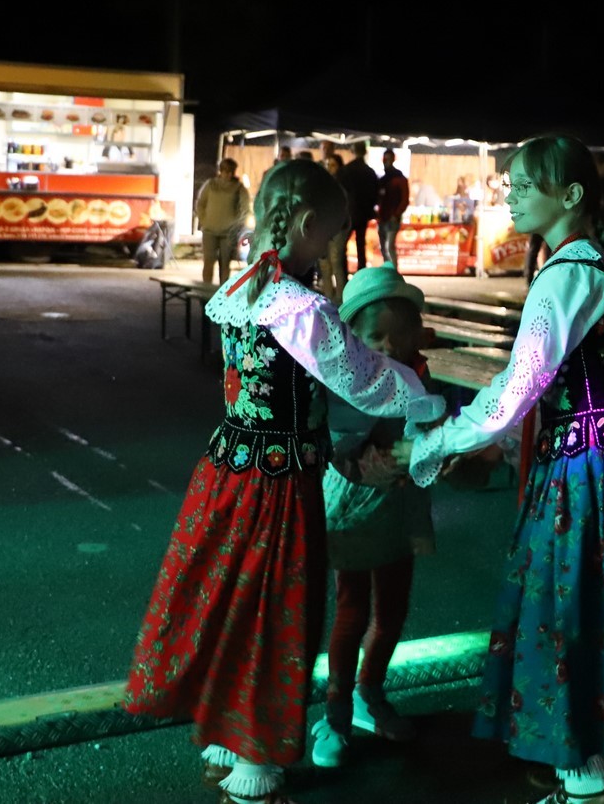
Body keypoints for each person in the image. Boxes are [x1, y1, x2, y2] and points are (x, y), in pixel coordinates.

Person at [121, 159, 446, 804]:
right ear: (305, 224)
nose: (332, 246)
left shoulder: (243, 286)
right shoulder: (300, 307)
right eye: (331, 232)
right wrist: (428, 401)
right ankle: (255, 762)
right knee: (274, 611)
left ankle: (223, 738)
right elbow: (362, 378)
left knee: (226, 601)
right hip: (277, 486)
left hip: (226, 473)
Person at [408, 134, 604, 804]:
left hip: (586, 468)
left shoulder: (567, 274)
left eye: (523, 185)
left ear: (569, 195)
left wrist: (440, 439)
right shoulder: (591, 262)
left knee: (571, 605)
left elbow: (519, 386)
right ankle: (594, 751)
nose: (509, 195)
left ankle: (582, 772)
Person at [311, 265, 466, 767]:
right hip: (353, 506)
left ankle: (369, 693)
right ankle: (335, 714)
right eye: (376, 336)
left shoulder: (420, 376)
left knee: (394, 610)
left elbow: (437, 428)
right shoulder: (345, 381)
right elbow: (338, 443)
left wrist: (448, 449)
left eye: (400, 335)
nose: (390, 347)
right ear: (352, 337)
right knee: (352, 610)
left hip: (401, 508)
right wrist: (372, 457)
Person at [196, 158, 253, 285]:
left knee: (225, 263)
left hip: (228, 232)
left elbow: (245, 208)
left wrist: (238, 224)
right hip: (210, 230)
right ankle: (206, 289)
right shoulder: (211, 185)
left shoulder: (238, 188)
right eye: (226, 171)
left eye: (231, 171)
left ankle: (223, 291)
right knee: (208, 261)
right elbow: (200, 203)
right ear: (220, 171)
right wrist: (204, 220)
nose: (229, 174)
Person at [339, 141, 381, 277]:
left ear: (352, 151)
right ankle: (361, 274)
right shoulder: (369, 172)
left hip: (348, 212)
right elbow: (375, 194)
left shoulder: (346, 170)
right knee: (361, 245)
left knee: (342, 246)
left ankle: (343, 275)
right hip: (363, 213)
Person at [316, 153, 349, 303]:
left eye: (333, 165)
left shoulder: (342, 185)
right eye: (328, 165)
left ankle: (341, 298)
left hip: (337, 228)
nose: (330, 168)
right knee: (324, 264)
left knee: (336, 262)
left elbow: (345, 208)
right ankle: (328, 297)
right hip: (323, 228)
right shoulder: (322, 184)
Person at [376, 149, 411, 268]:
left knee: (389, 247)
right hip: (383, 217)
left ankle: (393, 271)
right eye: (385, 159)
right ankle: (389, 270)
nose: (386, 162)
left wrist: (396, 214)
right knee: (384, 248)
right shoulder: (383, 179)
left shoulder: (399, 179)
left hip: (391, 218)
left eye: (388, 159)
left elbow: (405, 200)